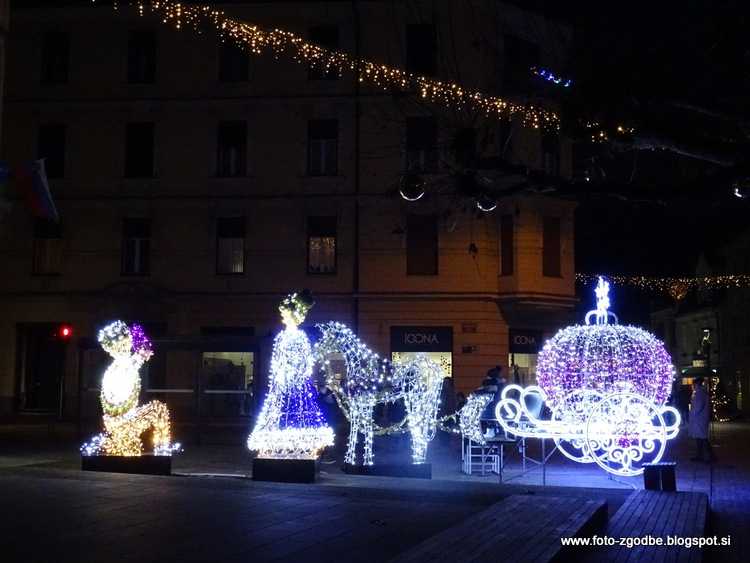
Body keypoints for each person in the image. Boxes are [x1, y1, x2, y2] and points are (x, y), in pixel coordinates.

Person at [688, 377, 717, 463]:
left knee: (702, 438)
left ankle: (711, 455)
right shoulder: (702, 393)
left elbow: (697, 407)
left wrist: (691, 414)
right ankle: (700, 455)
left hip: (699, 419)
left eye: (694, 385)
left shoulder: (700, 394)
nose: (693, 386)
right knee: (700, 438)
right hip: (700, 418)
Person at [437, 376, 456, 449]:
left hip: (450, 413)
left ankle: (446, 443)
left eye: (447, 382)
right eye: (445, 382)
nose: (446, 384)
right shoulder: (441, 392)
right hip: (442, 413)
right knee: (442, 429)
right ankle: (442, 444)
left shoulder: (451, 391)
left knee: (448, 428)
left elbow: (453, 402)